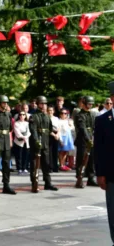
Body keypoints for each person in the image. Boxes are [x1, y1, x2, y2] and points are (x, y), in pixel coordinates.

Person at [94, 81, 114, 246]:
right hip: (111, 175)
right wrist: (100, 173)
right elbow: (98, 149)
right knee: (113, 213)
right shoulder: (102, 120)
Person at [29, 96, 59, 193]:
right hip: (36, 143)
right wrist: (37, 140)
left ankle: (48, 183)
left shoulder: (46, 116)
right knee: (35, 164)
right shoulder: (33, 116)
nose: (44, 105)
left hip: (46, 142)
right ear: (38, 104)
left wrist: (55, 132)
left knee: (46, 163)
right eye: (42, 103)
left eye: (45, 104)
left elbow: (50, 128)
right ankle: (34, 183)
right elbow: (33, 130)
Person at [74, 96, 98, 188]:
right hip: (83, 141)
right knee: (81, 160)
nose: (90, 105)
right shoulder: (79, 115)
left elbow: (94, 127)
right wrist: (88, 139)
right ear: (84, 103)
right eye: (89, 103)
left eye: (91, 104)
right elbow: (82, 128)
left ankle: (91, 178)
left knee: (91, 160)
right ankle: (79, 178)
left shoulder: (92, 114)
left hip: (91, 139)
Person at [13, 110, 31, 174]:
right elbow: (17, 132)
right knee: (19, 155)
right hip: (19, 141)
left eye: (23, 115)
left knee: (25, 155)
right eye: (20, 115)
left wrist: (26, 137)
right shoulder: (16, 123)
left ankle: (25, 168)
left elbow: (29, 132)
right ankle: (19, 168)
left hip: (26, 141)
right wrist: (22, 137)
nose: (22, 116)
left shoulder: (27, 123)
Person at [47, 106, 60, 172]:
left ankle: (55, 166)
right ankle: (50, 167)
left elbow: (59, 127)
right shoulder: (46, 118)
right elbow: (47, 129)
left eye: (51, 110)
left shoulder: (56, 118)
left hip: (56, 135)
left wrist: (57, 134)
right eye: (49, 110)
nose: (50, 112)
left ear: (53, 111)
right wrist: (54, 135)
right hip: (49, 135)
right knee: (49, 152)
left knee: (55, 152)